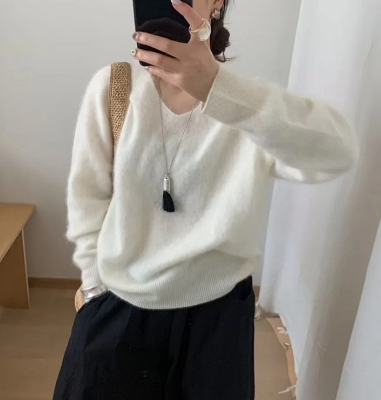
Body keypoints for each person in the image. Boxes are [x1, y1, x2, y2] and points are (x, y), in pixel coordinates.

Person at [53, 0, 358, 399]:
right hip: (121, 306)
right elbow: (88, 199)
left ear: (217, 3)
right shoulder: (115, 88)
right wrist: (94, 290)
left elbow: (337, 152)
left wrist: (217, 88)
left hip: (218, 317)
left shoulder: (245, 104)